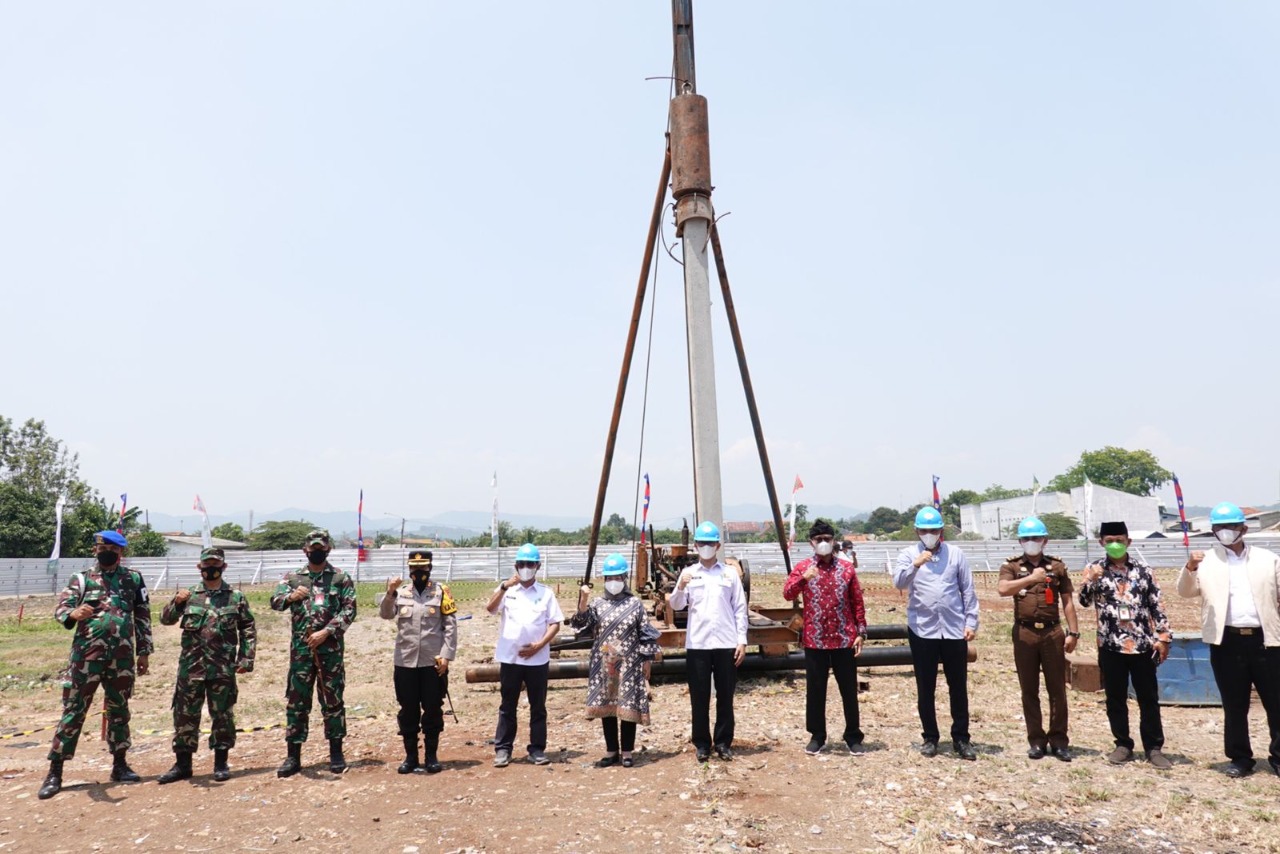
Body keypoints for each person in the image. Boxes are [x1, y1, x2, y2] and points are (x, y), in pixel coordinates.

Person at [38, 530, 153, 800]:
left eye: (112, 548)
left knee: (119, 711)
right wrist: (73, 613)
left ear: (121, 552)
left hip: (121, 658)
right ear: (95, 550)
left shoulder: (133, 579)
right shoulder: (81, 579)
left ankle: (120, 765)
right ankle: (55, 772)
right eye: (102, 547)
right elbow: (61, 609)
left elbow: (143, 615)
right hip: (86, 657)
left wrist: (145, 651)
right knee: (73, 712)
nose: (106, 551)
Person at [1177, 502, 1280, 778]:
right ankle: (1240, 758)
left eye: (1231, 526)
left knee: (1276, 701)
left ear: (1244, 529)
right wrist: (1189, 568)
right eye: (1220, 527)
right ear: (1212, 530)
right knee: (1235, 705)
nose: (1226, 532)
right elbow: (1185, 592)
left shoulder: (1267, 560)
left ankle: (1278, 757)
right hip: (1226, 642)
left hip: (1266, 641)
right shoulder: (1205, 562)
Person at [157, 547, 256, 784]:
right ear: (199, 567)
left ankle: (221, 763)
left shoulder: (235, 597)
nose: (211, 568)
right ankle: (183, 765)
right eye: (206, 564)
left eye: (215, 564)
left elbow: (248, 628)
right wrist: (175, 602)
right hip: (191, 668)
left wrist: (246, 658)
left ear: (223, 567)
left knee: (222, 715)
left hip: (222, 667)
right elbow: (165, 619)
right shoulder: (189, 595)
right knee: (184, 716)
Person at [1078, 520, 1173, 769]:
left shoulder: (1143, 570)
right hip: (1110, 645)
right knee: (1115, 698)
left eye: (1119, 540)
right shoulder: (1094, 569)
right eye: (1109, 541)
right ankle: (1123, 744)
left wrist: (1163, 637)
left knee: (1148, 698)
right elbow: (1084, 601)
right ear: (1101, 543)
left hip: (1142, 645)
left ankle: (1154, 747)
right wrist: (1092, 581)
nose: (1115, 545)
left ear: (1128, 541)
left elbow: (1157, 605)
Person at [892, 506, 979, 760]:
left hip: (953, 629)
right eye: (924, 531)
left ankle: (961, 739)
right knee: (925, 686)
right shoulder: (908, 554)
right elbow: (898, 582)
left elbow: (968, 590)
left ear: (941, 531)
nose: (929, 534)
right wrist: (915, 566)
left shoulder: (956, 555)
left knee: (958, 686)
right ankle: (930, 737)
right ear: (917, 531)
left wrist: (971, 622)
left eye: (934, 530)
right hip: (922, 630)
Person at [270, 528, 357, 776]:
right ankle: (292, 757)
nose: (316, 551)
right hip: (301, 652)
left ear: (328, 549)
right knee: (297, 702)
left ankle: (336, 754)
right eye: (312, 548)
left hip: (330, 651)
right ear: (305, 550)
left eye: (321, 548)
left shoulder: (340, 578)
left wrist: (327, 632)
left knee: (333, 701)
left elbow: (349, 611)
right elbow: (274, 602)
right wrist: (290, 597)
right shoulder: (293, 578)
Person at [997, 517, 1080, 762]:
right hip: (1025, 633)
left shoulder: (1057, 566)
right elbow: (1003, 589)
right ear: (1020, 541)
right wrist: (1031, 579)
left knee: (1057, 688)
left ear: (1045, 540)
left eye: (1035, 538)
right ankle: (1036, 741)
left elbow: (1067, 601)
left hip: (1052, 632)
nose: (1031, 542)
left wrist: (1073, 632)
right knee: (1029, 689)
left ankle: (1059, 741)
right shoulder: (1011, 566)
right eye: (1026, 538)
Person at [782, 519, 867, 755]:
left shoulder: (846, 569)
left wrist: (861, 632)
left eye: (827, 539)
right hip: (815, 640)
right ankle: (817, 736)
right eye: (818, 540)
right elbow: (788, 594)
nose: (823, 543)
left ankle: (853, 736)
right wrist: (804, 579)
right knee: (816, 690)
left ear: (834, 541)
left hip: (844, 639)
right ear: (811, 542)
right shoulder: (803, 568)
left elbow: (856, 601)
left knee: (849, 690)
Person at [570, 553, 661, 767]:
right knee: (607, 706)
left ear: (624, 578)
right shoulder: (597, 604)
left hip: (630, 664)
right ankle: (612, 751)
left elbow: (645, 633)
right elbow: (581, 624)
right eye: (609, 578)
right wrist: (582, 600)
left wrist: (647, 660)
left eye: (618, 577)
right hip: (604, 663)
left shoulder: (635, 604)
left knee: (627, 705)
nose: (614, 582)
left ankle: (627, 752)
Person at [668, 521, 748, 762]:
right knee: (699, 696)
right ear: (695, 546)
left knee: (725, 695)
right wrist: (680, 588)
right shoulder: (688, 574)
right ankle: (702, 743)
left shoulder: (730, 574)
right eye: (702, 543)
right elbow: (675, 605)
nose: (706, 547)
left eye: (710, 543)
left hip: (726, 643)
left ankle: (723, 742)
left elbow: (740, 609)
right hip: (698, 644)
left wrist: (741, 641)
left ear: (718, 545)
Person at [379, 549, 457, 774]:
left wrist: (447, 656)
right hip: (405, 661)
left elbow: (450, 626)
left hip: (433, 663)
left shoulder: (441, 591)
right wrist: (390, 592)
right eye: (414, 567)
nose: (419, 571)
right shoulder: (401, 592)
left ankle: (431, 756)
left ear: (430, 567)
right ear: (409, 569)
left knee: (433, 708)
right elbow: (385, 615)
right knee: (408, 709)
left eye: (423, 567)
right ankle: (411, 756)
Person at [486, 543, 563, 767]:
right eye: (522, 564)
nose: (526, 568)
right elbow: (490, 609)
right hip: (510, 658)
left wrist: (539, 645)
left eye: (530, 564)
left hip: (537, 659)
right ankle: (503, 749)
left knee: (538, 706)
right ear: (515, 566)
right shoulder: (507, 591)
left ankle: (537, 749)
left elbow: (555, 624)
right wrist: (502, 587)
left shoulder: (546, 593)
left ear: (538, 566)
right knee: (507, 704)